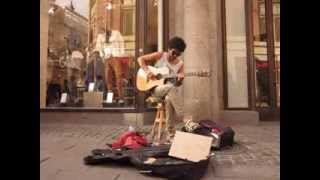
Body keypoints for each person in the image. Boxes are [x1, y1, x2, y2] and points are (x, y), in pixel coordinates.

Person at [137, 36, 186, 143]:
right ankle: (185, 119)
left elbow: (176, 85)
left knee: (169, 98)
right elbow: (140, 59)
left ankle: (171, 134)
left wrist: (179, 81)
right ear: (169, 49)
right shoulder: (160, 55)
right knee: (170, 88)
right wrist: (148, 72)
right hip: (155, 90)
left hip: (169, 91)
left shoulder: (180, 65)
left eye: (178, 54)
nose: (175, 56)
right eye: (174, 52)